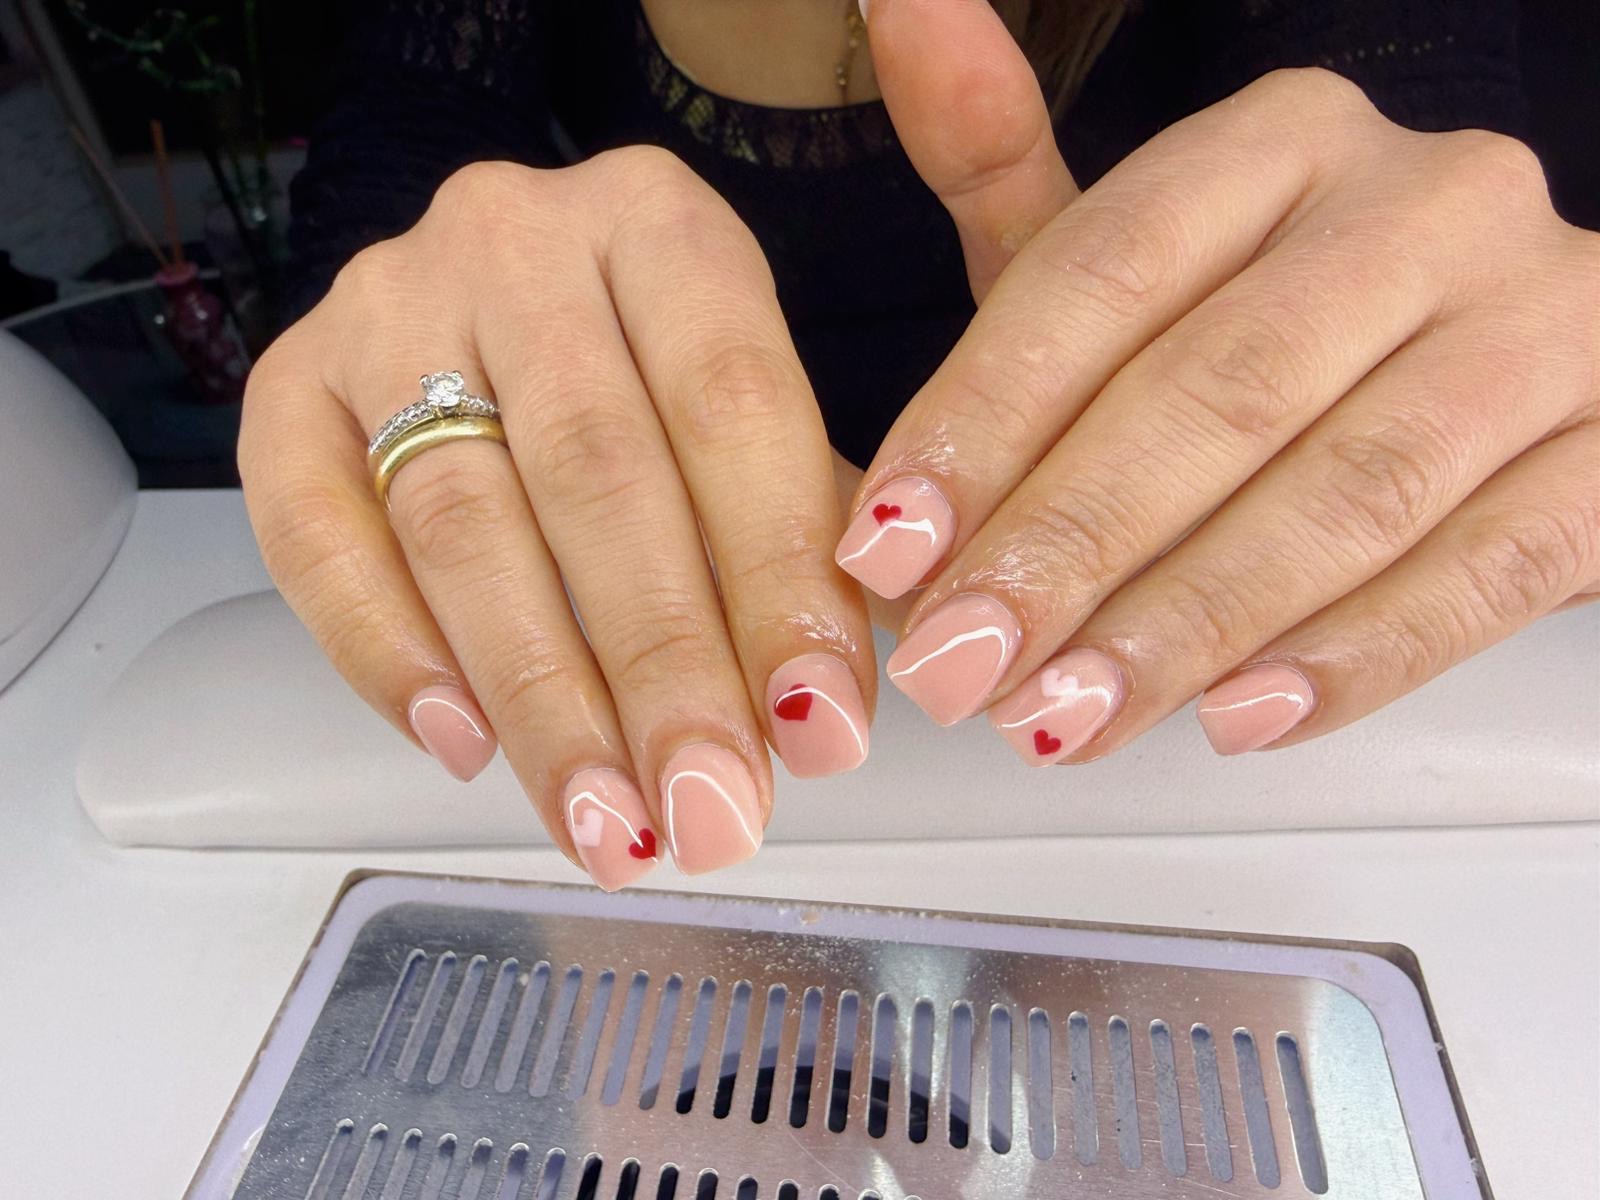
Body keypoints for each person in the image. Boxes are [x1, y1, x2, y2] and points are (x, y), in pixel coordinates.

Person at [239, 0, 1599, 892]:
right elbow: (395, 171)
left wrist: (1472, 354)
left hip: (1228, 826)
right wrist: (428, 344)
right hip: (703, 794)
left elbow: (1430, 154)